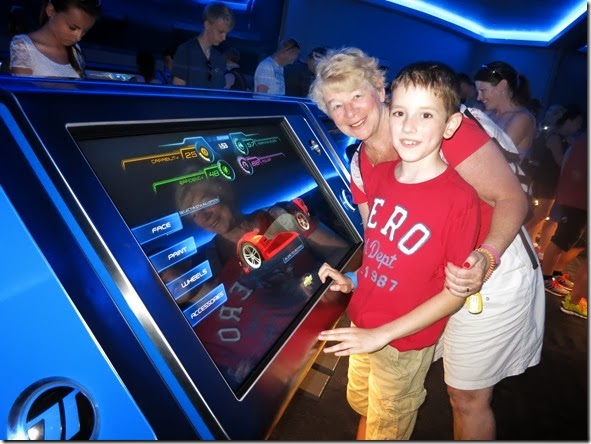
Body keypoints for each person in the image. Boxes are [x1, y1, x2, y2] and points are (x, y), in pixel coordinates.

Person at [309, 47, 544, 440]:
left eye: (357, 96)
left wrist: (485, 258)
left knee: (465, 396)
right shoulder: (362, 164)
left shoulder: (438, 130)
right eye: (336, 105)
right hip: (427, 283)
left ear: (380, 90)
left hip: (489, 268)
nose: (349, 112)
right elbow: (381, 243)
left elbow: (512, 200)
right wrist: (356, 278)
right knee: (383, 394)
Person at [317, 61, 481, 440]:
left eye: (425, 115)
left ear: (450, 125)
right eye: (401, 113)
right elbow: (383, 255)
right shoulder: (381, 177)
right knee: (362, 405)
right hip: (362, 324)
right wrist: (353, 278)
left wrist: (382, 334)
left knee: (388, 426)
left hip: (402, 342)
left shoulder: (460, 200)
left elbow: (454, 294)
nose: (409, 126)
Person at [163, 177, 351, 390]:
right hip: (305, 358)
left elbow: (342, 251)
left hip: (341, 318)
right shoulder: (213, 264)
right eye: (194, 215)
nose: (204, 217)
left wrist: (319, 280)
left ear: (224, 192)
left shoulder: (278, 215)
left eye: (205, 203)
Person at [523, 105, 583, 247]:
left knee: (543, 216)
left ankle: (529, 242)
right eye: (577, 123)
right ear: (569, 120)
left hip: (550, 180)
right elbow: (560, 160)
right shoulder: (555, 137)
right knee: (542, 214)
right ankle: (518, 235)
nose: (578, 127)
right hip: (546, 180)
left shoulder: (562, 137)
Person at [540, 132, 587, 304]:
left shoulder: (581, 141)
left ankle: (555, 272)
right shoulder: (583, 143)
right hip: (577, 199)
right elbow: (574, 172)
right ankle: (545, 277)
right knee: (562, 239)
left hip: (579, 199)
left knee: (578, 241)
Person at [9, 0, 101, 79]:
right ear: (51, 11)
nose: (78, 37)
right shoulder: (24, 46)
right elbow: (23, 91)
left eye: (84, 31)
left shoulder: (74, 50)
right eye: (72, 28)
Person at [474, 62, 537, 158]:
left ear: (502, 85)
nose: (479, 97)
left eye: (483, 90)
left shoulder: (522, 118)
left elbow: (496, 155)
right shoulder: (488, 114)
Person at [172, 1, 234, 88]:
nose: (224, 38)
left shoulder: (219, 57)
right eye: (220, 32)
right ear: (207, 25)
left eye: (226, 33)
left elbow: (219, 92)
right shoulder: (185, 51)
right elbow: (178, 91)